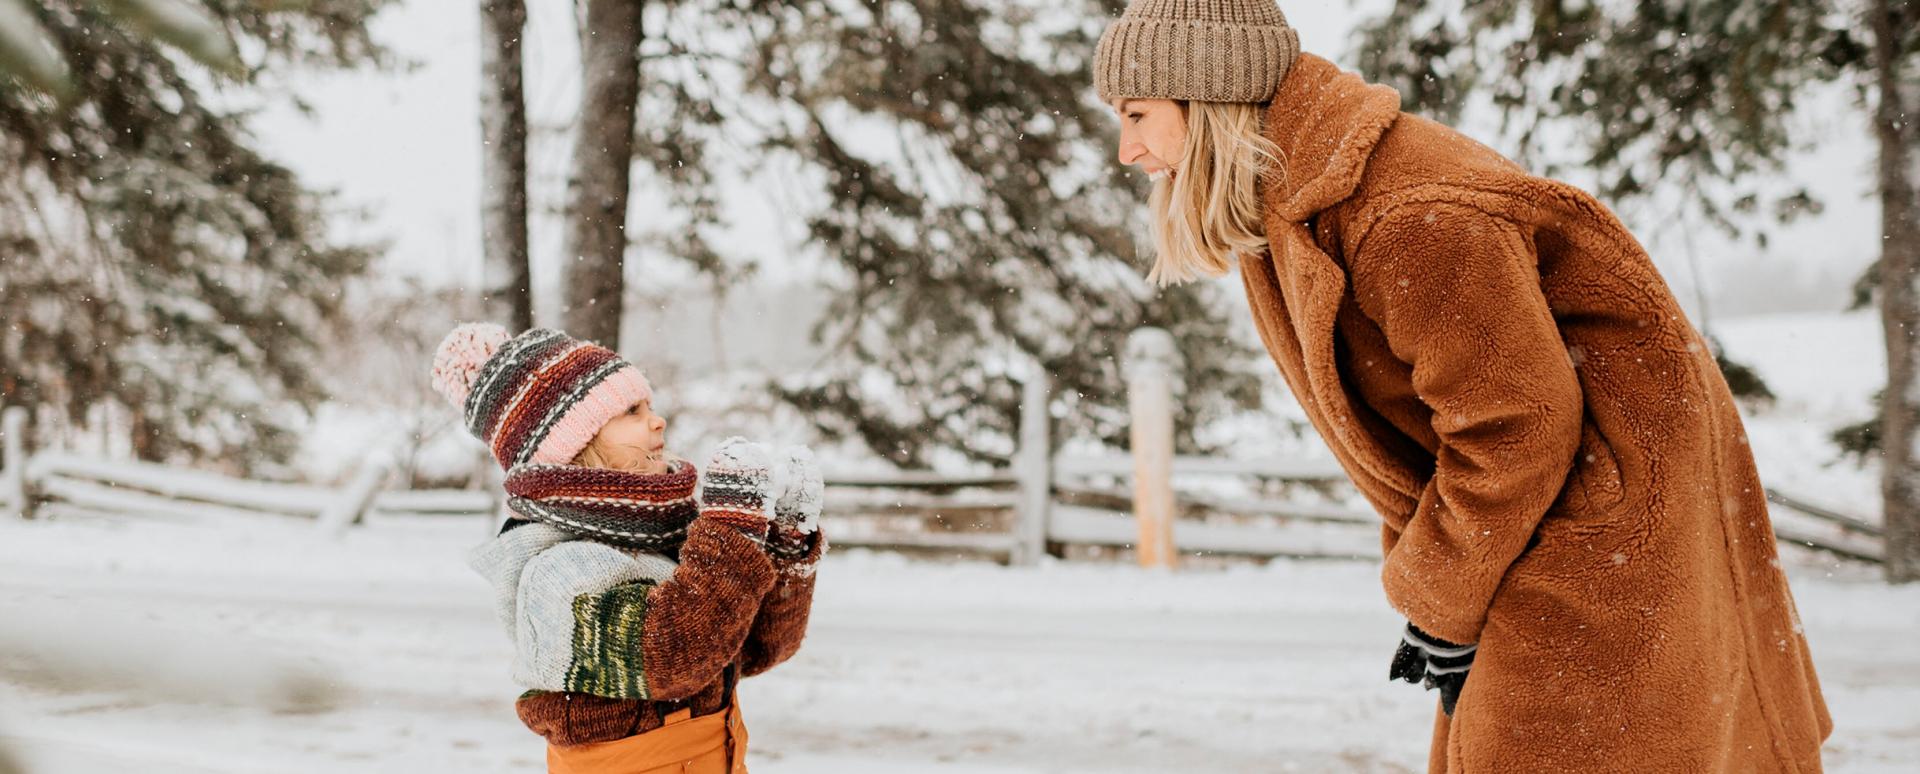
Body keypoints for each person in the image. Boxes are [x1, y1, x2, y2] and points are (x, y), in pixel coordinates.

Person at [1094, 2, 1831, 770]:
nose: (1127, 149)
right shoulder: (1311, 199)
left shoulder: (1408, 215)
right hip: (1543, 529)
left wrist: (1441, 597)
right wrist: (1445, 587)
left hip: (1596, 539)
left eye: (1138, 114)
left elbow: (1515, 422)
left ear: (1212, 95)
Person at [431, 323, 825, 773]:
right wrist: (731, 538)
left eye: (650, 406)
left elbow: (753, 649)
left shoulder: (662, 540)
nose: (657, 420)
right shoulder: (556, 576)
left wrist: (783, 549)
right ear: (572, 445)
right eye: (631, 412)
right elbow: (673, 657)